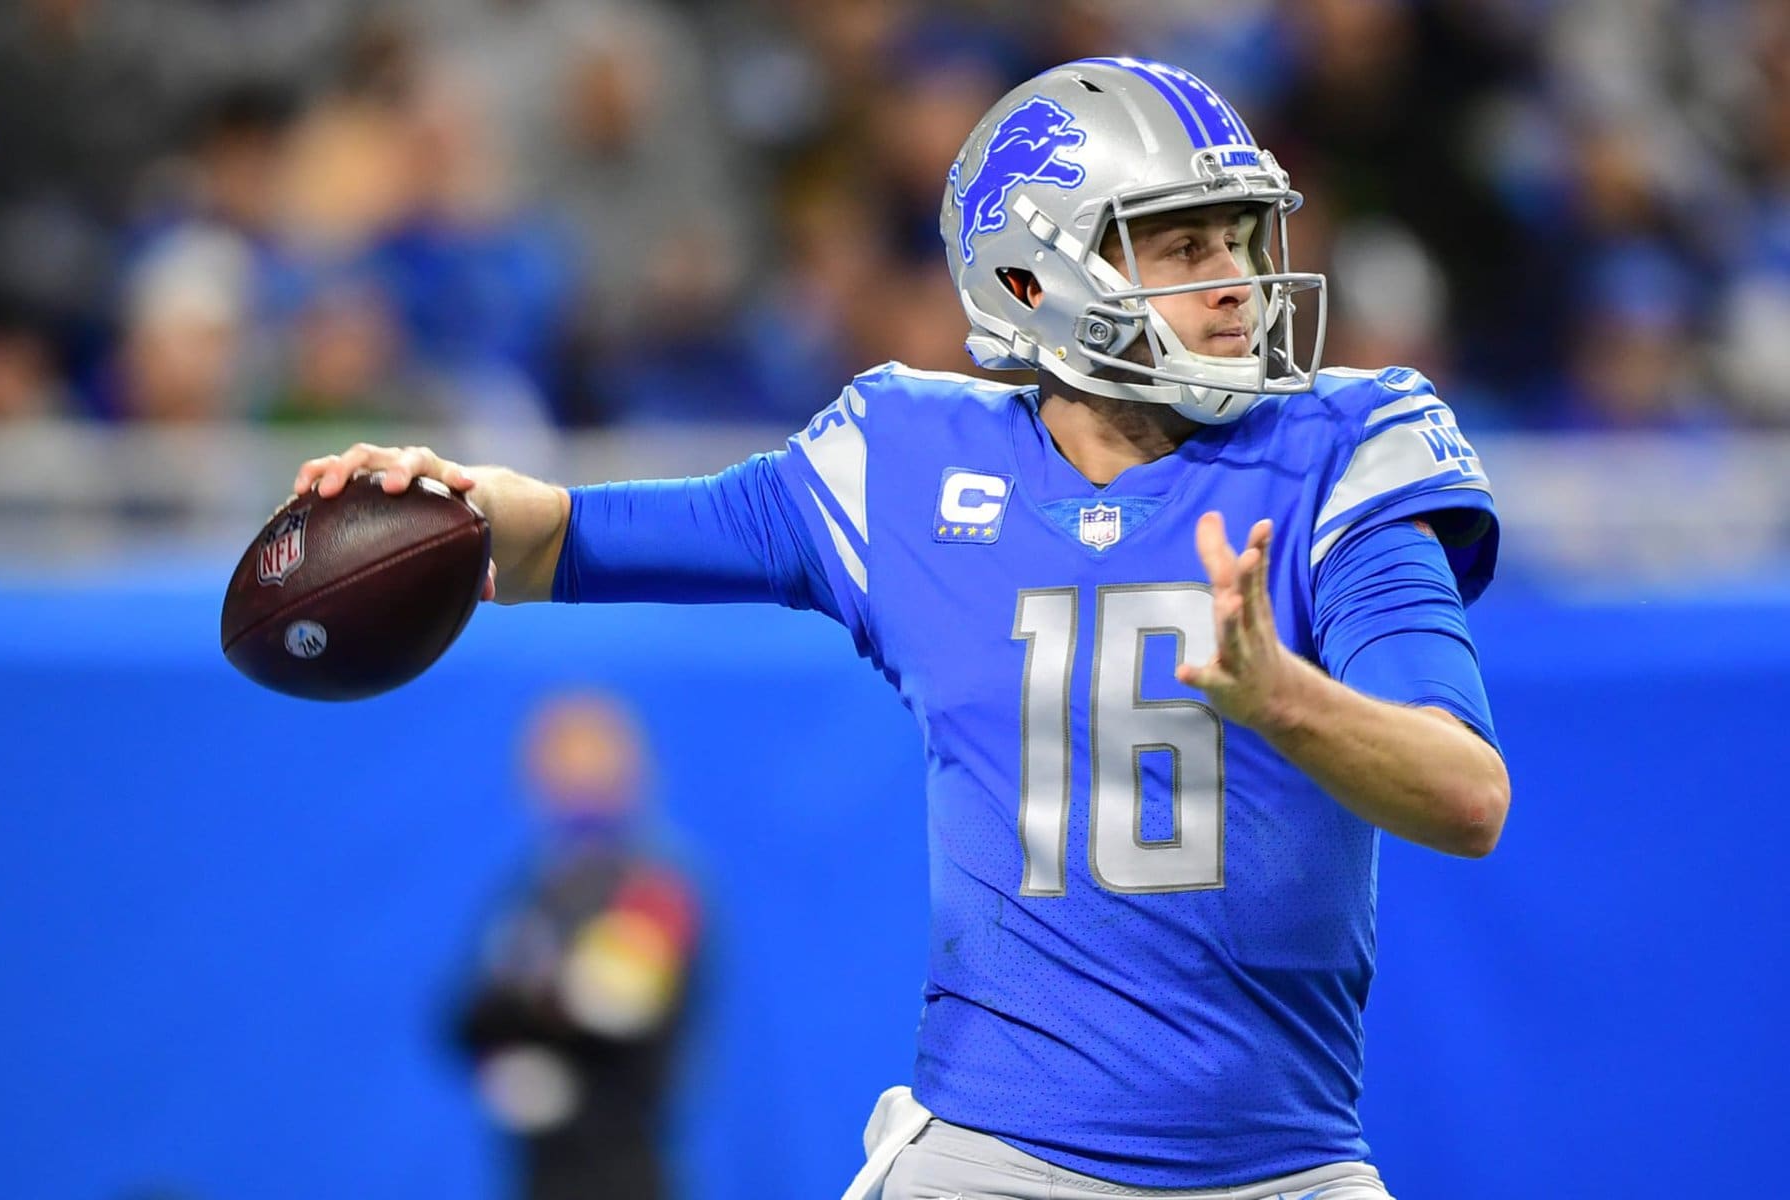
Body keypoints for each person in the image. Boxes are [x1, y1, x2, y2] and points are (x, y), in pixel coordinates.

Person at [293, 56, 1508, 1200]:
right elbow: (569, 539)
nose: (1236, 281)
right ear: (1034, 280)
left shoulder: (1342, 453)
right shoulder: (904, 464)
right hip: (989, 1161)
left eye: (1239, 238)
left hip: (1280, 1169)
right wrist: (443, 503)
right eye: (1184, 245)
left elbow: (1467, 797)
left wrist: (1286, 698)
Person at [454, 692, 699, 1200]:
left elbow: (608, 1008)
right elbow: (464, 1018)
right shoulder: (530, 893)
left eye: (591, 770)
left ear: (629, 776)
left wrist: (529, 1004)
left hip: (622, 1169)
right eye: (561, 770)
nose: (575, 789)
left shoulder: (654, 893)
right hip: (539, 1172)